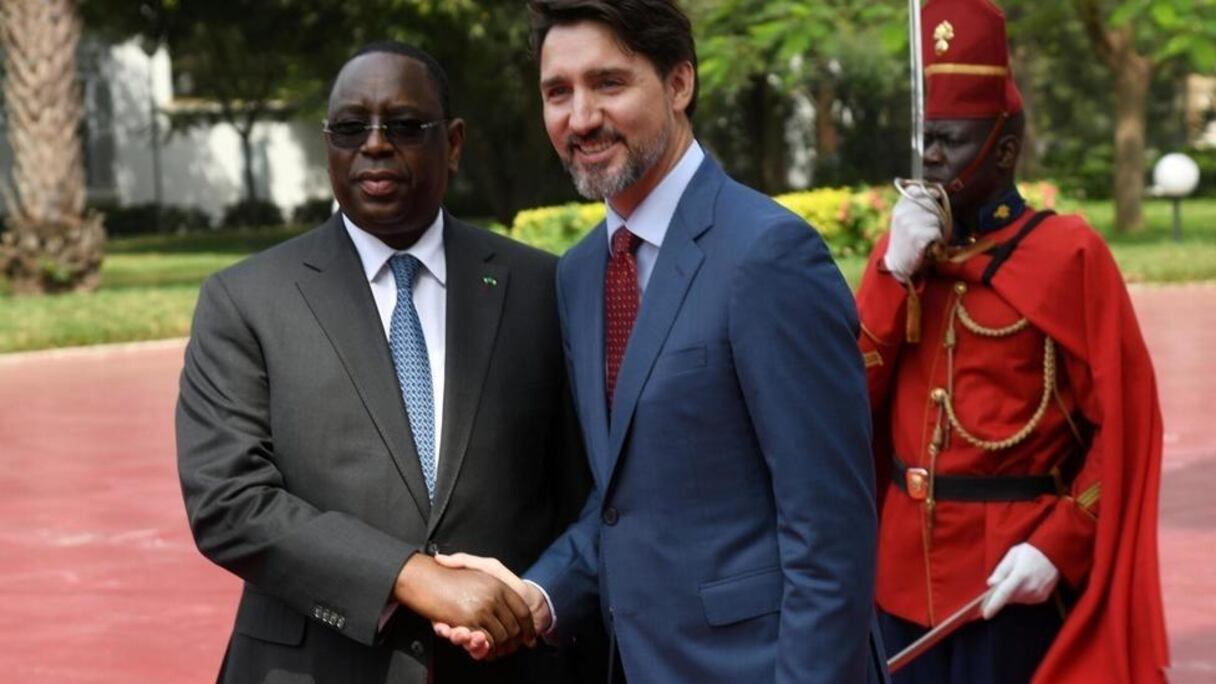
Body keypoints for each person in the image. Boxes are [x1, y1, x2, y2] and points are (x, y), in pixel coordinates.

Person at [434, 1, 887, 682]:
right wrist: (538, 596)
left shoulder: (769, 257)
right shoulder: (582, 274)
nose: (580, 117)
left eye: (609, 84)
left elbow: (831, 536)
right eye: (558, 92)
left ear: (680, 84)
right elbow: (622, 502)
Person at [175, 41, 602, 683]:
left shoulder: (542, 288)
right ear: (328, 146)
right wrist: (409, 575)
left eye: (404, 126)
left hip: (507, 665)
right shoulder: (245, 300)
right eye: (351, 128)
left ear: (453, 144)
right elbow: (228, 503)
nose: (375, 145)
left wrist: (540, 599)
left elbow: (585, 496)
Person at [856, 1, 1168, 682]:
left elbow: (1125, 425)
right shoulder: (903, 254)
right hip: (903, 577)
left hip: (1012, 578)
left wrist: (1060, 544)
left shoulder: (1066, 255)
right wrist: (889, 275)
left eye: (953, 140)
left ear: (1003, 149)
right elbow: (844, 400)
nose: (932, 156)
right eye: (928, 138)